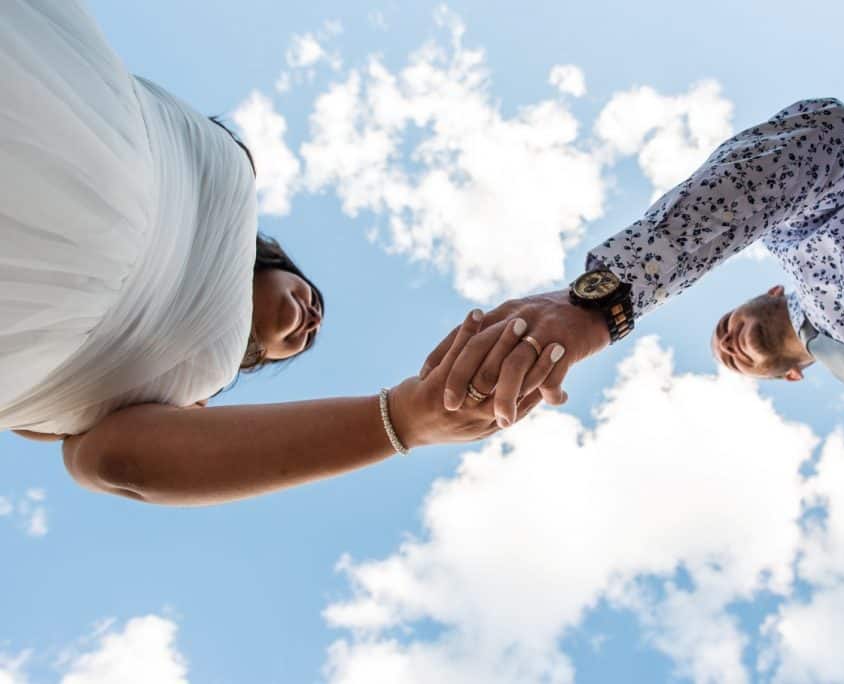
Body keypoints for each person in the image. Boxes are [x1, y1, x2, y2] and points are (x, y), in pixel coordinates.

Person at [1, 1, 564, 506]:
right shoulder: (225, 187)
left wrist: (406, 419)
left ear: (253, 357)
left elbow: (109, 460)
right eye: (314, 298)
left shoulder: (187, 396)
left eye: (301, 341)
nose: (314, 319)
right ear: (271, 262)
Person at [424, 75, 844, 455]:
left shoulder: (798, 233)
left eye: (726, 326)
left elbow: (829, 133)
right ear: (791, 377)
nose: (729, 344)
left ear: (768, 288)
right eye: (734, 361)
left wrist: (603, 298)